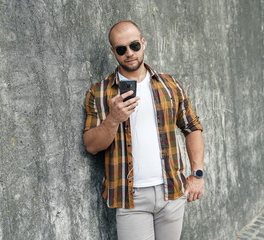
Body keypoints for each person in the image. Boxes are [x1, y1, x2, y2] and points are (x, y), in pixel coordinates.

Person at [83, 20, 204, 240]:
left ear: (143, 43)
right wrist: (113, 119)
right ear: (113, 52)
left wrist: (197, 174)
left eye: (134, 45)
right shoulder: (99, 93)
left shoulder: (170, 85)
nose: (129, 53)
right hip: (131, 198)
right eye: (121, 49)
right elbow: (91, 146)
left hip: (172, 192)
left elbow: (191, 126)